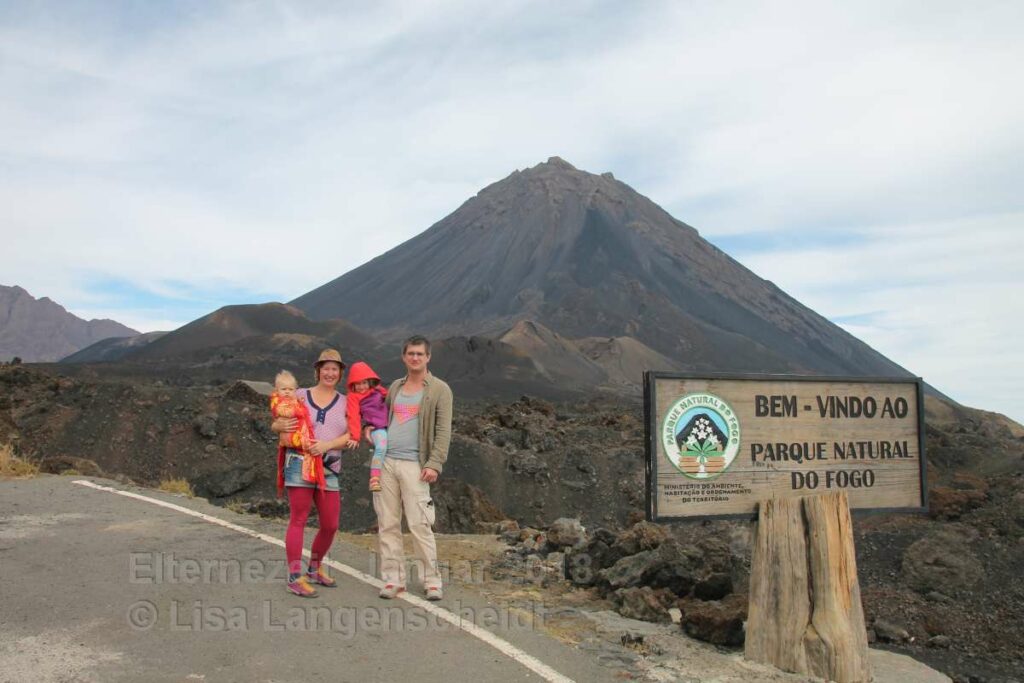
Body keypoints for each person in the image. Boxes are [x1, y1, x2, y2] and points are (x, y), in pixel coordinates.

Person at [272, 349, 357, 598]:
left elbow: (352, 435)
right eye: (325, 368)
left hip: (329, 467)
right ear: (318, 371)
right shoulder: (299, 394)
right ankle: (294, 577)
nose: (330, 373)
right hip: (299, 463)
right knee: (298, 518)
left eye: (334, 369)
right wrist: (277, 425)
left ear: (340, 373)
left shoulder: (345, 402)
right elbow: (277, 420)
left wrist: (327, 445)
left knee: (330, 524)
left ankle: (314, 568)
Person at [375, 335, 453, 601]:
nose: (415, 358)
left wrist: (435, 463)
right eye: (411, 353)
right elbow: (383, 419)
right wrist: (370, 433)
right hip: (387, 462)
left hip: (415, 466)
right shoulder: (396, 387)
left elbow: (443, 430)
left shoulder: (440, 390)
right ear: (404, 357)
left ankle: (431, 581)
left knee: (420, 524)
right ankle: (393, 580)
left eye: (420, 354)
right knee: (387, 523)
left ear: (428, 357)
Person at [271, 370, 324, 493]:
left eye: (290, 389)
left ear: (295, 390)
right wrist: (276, 426)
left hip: (320, 459)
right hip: (296, 454)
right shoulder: (279, 402)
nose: (287, 392)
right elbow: (280, 414)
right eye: (283, 389)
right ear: (277, 390)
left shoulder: (296, 399)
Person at [344, 361, 389, 492]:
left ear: (370, 381)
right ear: (352, 384)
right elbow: (353, 416)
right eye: (357, 383)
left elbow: (390, 397)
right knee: (381, 448)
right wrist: (355, 437)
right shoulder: (353, 397)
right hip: (376, 427)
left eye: (364, 382)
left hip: (390, 425)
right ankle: (374, 478)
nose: (361, 386)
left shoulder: (377, 390)